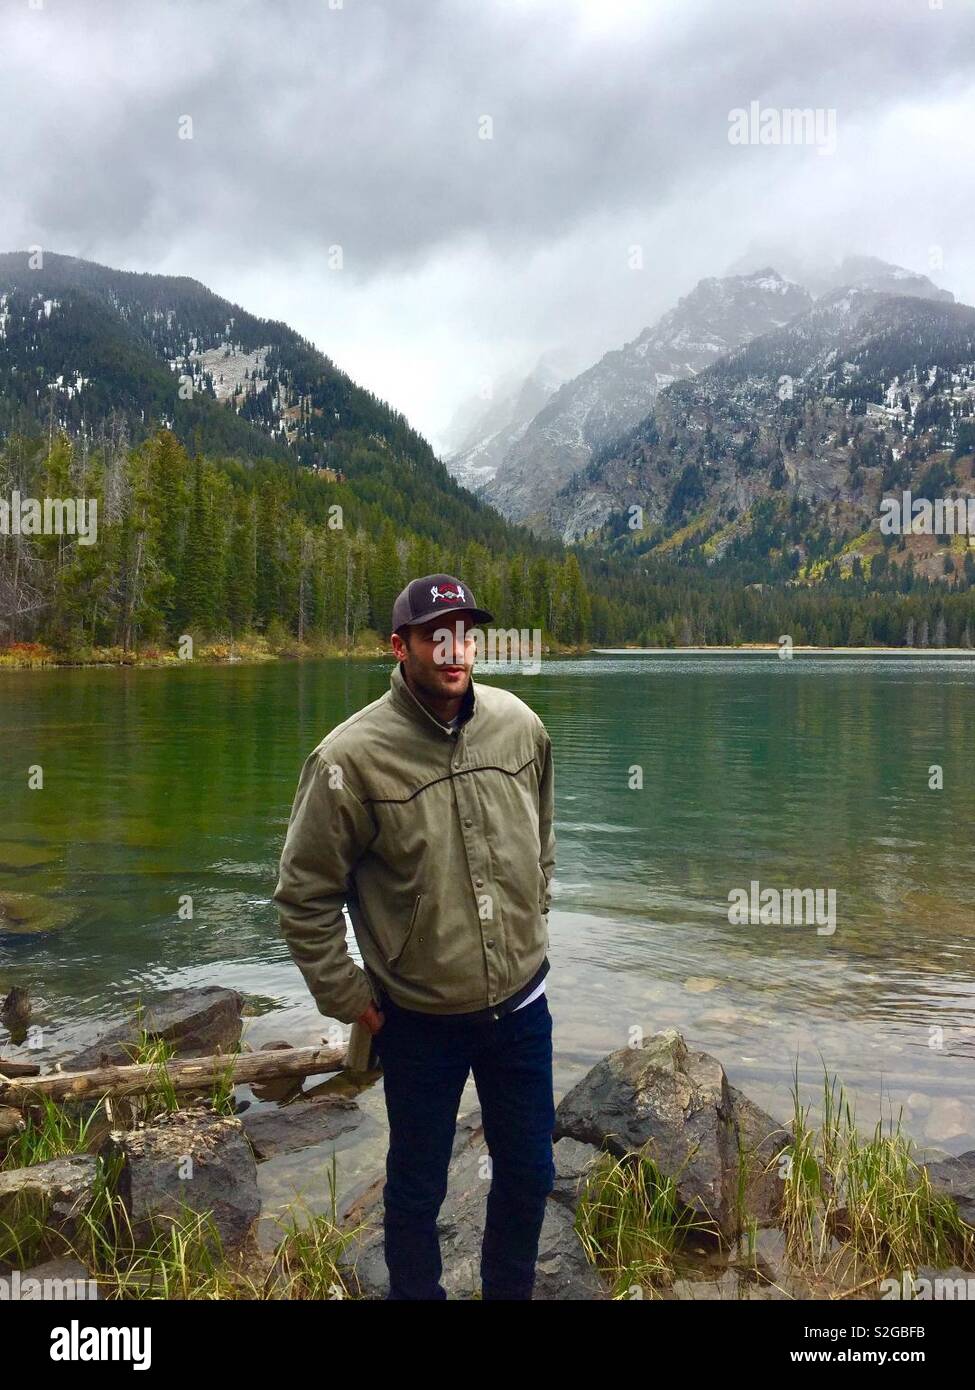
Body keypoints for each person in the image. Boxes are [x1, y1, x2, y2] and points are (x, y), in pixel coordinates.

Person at [273, 573, 557, 1300]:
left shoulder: (519, 726)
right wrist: (351, 998)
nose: (454, 648)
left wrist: (533, 915)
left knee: (529, 1175)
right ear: (399, 646)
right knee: (415, 1190)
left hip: (522, 1010)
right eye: (436, 634)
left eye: (465, 632)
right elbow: (304, 897)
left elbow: (541, 839)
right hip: (419, 1021)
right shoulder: (349, 760)